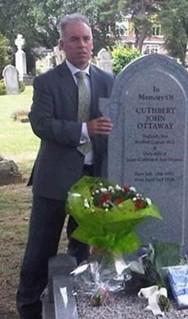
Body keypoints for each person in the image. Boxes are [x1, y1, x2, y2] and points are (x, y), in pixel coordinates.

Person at [16, 13, 114, 319]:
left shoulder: (108, 80)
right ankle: (29, 308)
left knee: (82, 250)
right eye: (74, 39)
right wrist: (84, 129)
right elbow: (41, 124)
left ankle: (74, 307)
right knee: (39, 252)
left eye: (86, 39)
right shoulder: (47, 82)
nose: (82, 45)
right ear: (62, 44)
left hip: (92, 180)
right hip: (54, 182)